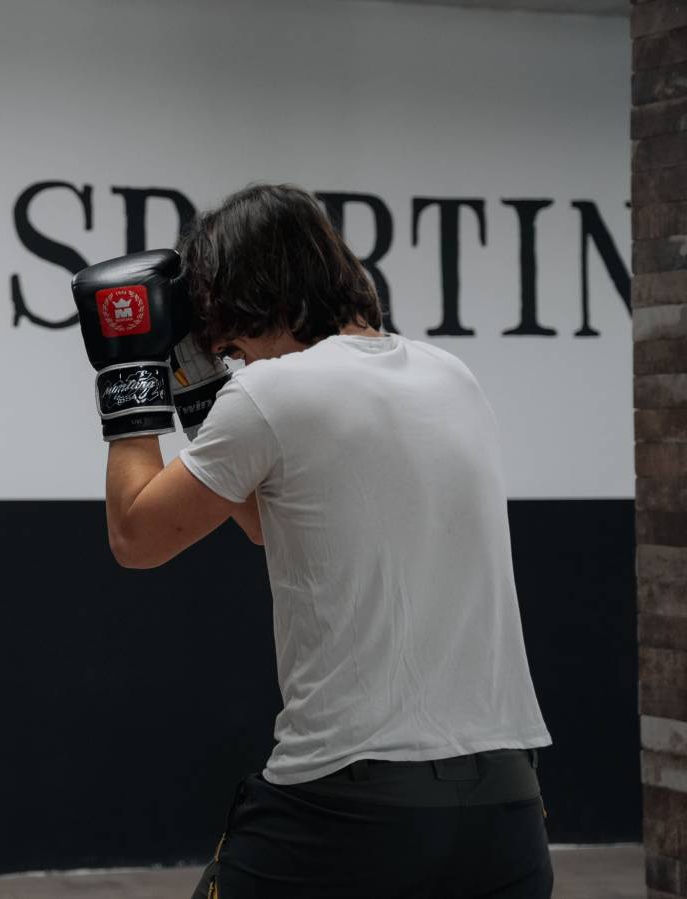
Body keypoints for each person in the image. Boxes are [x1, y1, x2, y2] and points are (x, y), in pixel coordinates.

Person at [70, 184, 553, 898]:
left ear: (245, 295)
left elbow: (135, 534)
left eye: (220, 330)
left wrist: (130, 379)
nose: (222, 350)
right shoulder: (452, 376)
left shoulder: (271, 395)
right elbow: (275, 520)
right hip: (506, 814)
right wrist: (204, 394)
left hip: (348, 813)